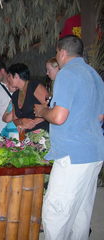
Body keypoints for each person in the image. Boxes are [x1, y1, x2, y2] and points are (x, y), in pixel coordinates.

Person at [34, 35, 104, 239]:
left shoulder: (67, 74)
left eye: (57, 53)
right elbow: (100, 115)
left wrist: (43, 111)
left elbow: (58, 116)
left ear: (62, 52)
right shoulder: (94, 75)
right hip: (94, 152)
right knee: (81, 212)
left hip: (72, 154)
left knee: (56, 212)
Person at [8, 63, 49, 134]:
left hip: (43, 133)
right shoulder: (15, 95)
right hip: (27, 137)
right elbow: (15, 119)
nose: (8, 79)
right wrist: (22, 120)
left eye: (9, 76)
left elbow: (50, 108)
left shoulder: (35, 87)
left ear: (16, 76)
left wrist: (32, 122)